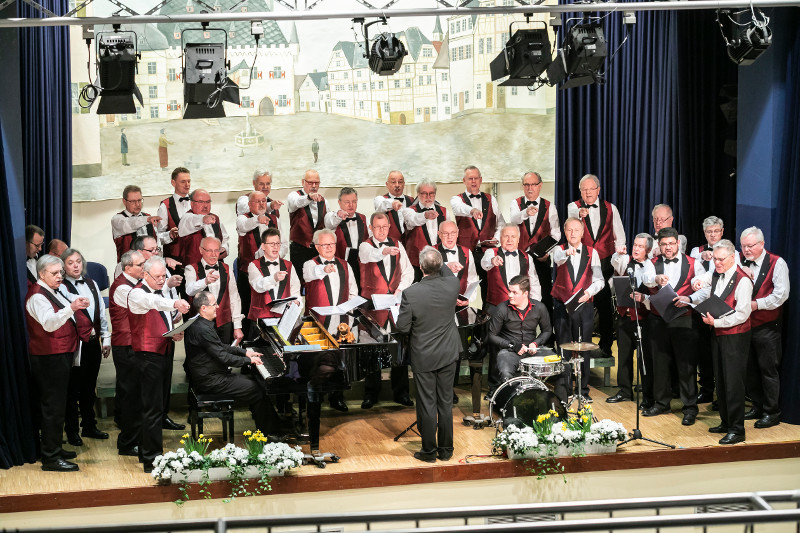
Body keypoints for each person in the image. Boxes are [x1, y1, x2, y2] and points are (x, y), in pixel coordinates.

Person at [184, 291, 285, 439]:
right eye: (214, 305)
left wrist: (244, 353)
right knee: (256, 389)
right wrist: (248, 361)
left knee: (254, 384)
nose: (218, 307)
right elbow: (223, 357)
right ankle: (270, 433)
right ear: (204, 308)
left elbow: (221, 347)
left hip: (212, 374)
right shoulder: (203, 329)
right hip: (211, 380)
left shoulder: (201, 323)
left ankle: (269, 425)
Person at [25, 255, 92, 471]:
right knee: (52, 408)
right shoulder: (37, 296)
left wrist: (76, 304)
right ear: (41, 274)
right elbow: (49, 324)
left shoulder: (53, 290)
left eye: (60, 273)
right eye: (55, 273)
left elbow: (67, 309)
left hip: (60, 355)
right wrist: (71, 308)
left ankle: (54, 447)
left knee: (58, 406)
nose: (59, 276)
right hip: (48, 358)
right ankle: (51, 458)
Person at [396, 247, 461, 463]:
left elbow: (403, 327)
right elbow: (443, 268)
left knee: (427, 404)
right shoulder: (453, 284)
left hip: (424, 355)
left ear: (420, 267)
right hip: (449, 352)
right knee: (445, 402)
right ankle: (446, 449)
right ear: (441, 264)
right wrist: (438, 261)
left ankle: (429, 451)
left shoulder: (411, 293)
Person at [127, 257, 190, 472]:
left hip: (161, 351)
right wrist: (174, 302)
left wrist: (175, 330)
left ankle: (148, 451)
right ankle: (152, 458)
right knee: (152, 408)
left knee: (157, 406)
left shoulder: (158, 292)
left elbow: (161, 319)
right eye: (158, 277)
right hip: (147, 356)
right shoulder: (137, 293)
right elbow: (152, 304)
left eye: (164, 276)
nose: (163, 280)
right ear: (145, 275)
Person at [643, 227, 708, 425]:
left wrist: (690, 298)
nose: (668, 248)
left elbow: (705, 289)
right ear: (659, 245)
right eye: (664, 244)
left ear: (678, 243)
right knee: (660, 363)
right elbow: (645, 278)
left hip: (684, 318)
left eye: (671, 244)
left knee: (686, 365)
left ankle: (690, 407)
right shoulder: (652, 262)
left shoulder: (694, 263)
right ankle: (661, 403)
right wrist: (655, 278)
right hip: (658, 319)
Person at [691, 240, 753, 445]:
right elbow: (701, 279)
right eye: (715, 259)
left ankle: (737, 429)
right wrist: (697, 282)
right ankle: (726, 422)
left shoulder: (743, 280)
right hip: (718, 334)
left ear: (732, 258)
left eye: (720, 259)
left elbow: (742, 315)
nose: (716, 263)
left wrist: (716, 322)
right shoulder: (717, 274)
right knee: (722, 380)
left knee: (734, 383)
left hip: (735, 336)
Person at [358, 212, 415, 409]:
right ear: (371, 228)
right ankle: (370, 395)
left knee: (400, 349)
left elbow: (408, 271)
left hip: (395, 304)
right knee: (373, 352)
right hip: (374, 307)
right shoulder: (365, 246)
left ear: (389, 227)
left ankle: (402, 393)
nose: (381, 230)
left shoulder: (398, 244)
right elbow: (369, 256)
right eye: (377, 227)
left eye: (385, 227)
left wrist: (400, 290)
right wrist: (382, 252)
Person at [567, 174, 626, 357]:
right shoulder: (573, 207)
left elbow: (620, 236)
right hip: (582, 263)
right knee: (579, 305)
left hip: (605, 263)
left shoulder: (611, 208)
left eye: (591, 189)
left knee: (604, 306)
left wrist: (617, 263)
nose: (587, 192)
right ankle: (577, 347)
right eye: (584, 189)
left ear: (598, 190)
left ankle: (606, 346)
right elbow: (571, 223)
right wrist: (579, 214)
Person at [59, 248, 111, 447]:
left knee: (90, 386)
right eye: (70, 262)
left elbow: (100, 313)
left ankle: (89, 425)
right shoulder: (61, 287)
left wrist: (105, 338)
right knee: (73, 389)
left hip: (93, 342)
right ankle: (72, 430)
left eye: (78, 261)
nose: (75, 265)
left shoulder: (92, 283)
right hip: (75, 344)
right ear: (63, 266)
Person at [303, 229, 359, 412]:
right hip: (317, 323)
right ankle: (315, 396)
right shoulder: (309, 264)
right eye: (324, 245)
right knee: (319, 363)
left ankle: (337, 397)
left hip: (341, 321)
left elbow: (353, 291)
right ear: (317, 246)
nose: (329, 248)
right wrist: (324, 269)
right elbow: (312, 274)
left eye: (331, 244)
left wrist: (349, 311)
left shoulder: (345, 265)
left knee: (339, 363)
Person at [740, 226, 789, 429]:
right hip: (744, 325)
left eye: (750, 246)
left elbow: (781, 295)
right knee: (749, 369)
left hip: (767, 326)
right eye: (743, 246)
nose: (746, 250)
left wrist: (756, 304)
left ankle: (772, 412)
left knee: (768, 370)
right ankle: (757, 405)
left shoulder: (777, 263)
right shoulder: (740, 263)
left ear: (762, 244)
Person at [550, 218, 604, 402]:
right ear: (565, 233)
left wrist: (589, 293)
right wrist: (566, 252)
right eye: (569, 230)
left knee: (584, 348)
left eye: (576, 230)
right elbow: (558, 259)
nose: (572, 233)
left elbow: (600, 280)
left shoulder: (592, 252)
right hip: (561, 305)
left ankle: (583, 390)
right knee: (563, 348)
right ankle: (565, 390)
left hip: (584, 305)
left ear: (582, 232)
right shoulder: (558, 250)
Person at [488, 275, 559, 399]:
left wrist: (536, 343)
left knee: (562, 368)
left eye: (514, 292)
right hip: (509, 351)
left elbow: (547, 331)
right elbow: (491, 336)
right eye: (509, 291)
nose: (510, 295)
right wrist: (512, 345)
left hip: (533, 350)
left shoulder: (540, 308)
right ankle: (511, 405)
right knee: (506, 371)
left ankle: (558, 406)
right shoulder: (502, 309)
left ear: (525, 293)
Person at [606, 234, 657, 404]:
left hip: (643, 319)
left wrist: (643, 298)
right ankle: (625, 391)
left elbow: (653, 292)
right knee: (624, 356)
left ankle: (648, 396)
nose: (636, 248)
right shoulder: (626, 261)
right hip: (624, 317)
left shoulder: (650, 267)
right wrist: (618, 254)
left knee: (644, 359)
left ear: (648, 250)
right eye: (635, 245)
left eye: (640, 246)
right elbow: (615, 261)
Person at [508, 171, 561, 318]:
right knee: (518, 296)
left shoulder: (550, 206)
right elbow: (513, 220)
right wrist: (526, 212)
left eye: (533, 184)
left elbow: (556, 234)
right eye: (526, 185)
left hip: (541, 259)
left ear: (540, 185)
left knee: (545, 297)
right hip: (520, 260)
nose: (530, 188)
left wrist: (546, 253)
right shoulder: (516, 203)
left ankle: (548, 337)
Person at [109, 250, 146, 457]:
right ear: (127, 268)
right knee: (131, 395)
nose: (144, 267)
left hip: (134, 345)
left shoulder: (134, 284)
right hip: (126, 346)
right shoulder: (123, 287)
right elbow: (143, 304)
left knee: (134, 394)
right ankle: (127, 443)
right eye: (140, 264)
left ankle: (135, 437)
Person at [450, 166, 504, 304]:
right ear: (464, 181)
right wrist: (472, 210)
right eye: (470, 178)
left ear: (481, 180)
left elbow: (501, 224)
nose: (473, 181)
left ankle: (487, 322)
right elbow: (458, 209)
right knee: (462, 289)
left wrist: (496, 238)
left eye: (476, 178)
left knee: (489, 289)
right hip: (466, 253)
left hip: (487, 252)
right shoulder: (457, 199)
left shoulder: (491, 199)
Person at [690, 215, 728, 404]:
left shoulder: (731, 251)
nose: (713, 235)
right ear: (704, 233)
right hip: (701, 308)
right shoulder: (697, 251)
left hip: (722, 308)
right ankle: (705, 391)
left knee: (719, 353)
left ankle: (721, 396)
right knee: (702, 352)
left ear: (722, 232)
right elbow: (693, 272)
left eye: (716, 231)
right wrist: (701, 256)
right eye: (709, 232)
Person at [237, 190, 283, 333]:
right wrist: (258, 219)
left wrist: (274, 255)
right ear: (250, 204)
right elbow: (244, 227)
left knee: (271, 306)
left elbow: (284, 243)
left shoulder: (274, 219)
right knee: (249, 308)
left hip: (272, 270)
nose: (262, 204)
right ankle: (248, 340)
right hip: (248, 273)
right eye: (258, 201)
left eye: (264, 201)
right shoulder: (243, 218)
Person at [184, 237, 244, 345]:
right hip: (201, 326)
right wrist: (204, 281)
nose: (213, 254)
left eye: (217, 250)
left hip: (225, 324)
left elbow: (234, 298)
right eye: (209, 250)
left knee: (225, 357)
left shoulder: (227, 268)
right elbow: (189, 290)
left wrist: (237, 326)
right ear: (201, 250)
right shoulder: (191, 268)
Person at [480, 225, 542, 316]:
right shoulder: (491, 252)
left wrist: (534, 307)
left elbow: (534, 283)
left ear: (518, 239)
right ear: (500, 238)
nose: (510, 240)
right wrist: (493, 260)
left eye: (513, 237)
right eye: (506, 236)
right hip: (495, 309)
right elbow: (484, 264)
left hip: (520, 310)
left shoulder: (527, 257)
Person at [248, 228, 301, 321]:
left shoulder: (289, 265)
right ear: (263, 246)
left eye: (277, 243)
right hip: (260, 317)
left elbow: (295, 290)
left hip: (284, 317)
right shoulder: (253, 265)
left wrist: (297, 302)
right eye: (271, 244)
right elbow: (258, 285)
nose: (275, 247)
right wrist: (274, 278)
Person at [402, 178, 448, 282]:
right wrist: (425, 215)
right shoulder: (409, 211)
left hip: (438, 263)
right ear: (418, 194)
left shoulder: (444, 211)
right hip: (416, 264)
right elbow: (414, 219)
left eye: (431, 193)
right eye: (424, 193)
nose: (428, 197)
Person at [288, 170, 327, 285]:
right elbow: (296, 203)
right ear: (303, 182)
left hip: (317, 249)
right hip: (299, 249)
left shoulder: (324, 201)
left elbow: (328, 222)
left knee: (316, 283)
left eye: (317, 183)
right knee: (298, 283)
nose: (314, 186)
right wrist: (309, 197)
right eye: (310, 183)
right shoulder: (294, 196)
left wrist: (337, 216)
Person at [324, 187, 368, 290]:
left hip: (360, 265)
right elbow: (330, 222)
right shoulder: (333, 217)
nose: (351, 205)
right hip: (341, 266)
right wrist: (339, 215)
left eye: (354, 201)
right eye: (347, 202)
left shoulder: (363, 218)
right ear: (339, 203)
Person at [178, 189, 230, 266]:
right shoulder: (186, 218)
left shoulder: (215, 218)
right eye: (201, 202)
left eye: (208, 202)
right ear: (192, 203)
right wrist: (203, 219)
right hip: (194, 270)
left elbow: (225, 238)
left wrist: (224, 249)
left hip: (217, 267)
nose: (205, 205)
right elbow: (192, 220)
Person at [111, 185, 163, 262]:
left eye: (139, 200)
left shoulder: (147, 217)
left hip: (149, 266)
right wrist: (147, 219)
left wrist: (170, 235)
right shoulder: (117, 219)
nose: (138, 204)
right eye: (133, 201)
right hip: (129, 267)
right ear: (124, 202)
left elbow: (157, 240)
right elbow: (130, 224)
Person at [437, 220, 479, 308]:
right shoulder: (431, 251)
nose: (450, 237)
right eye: (445, 233)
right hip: (438, 305)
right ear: (439, 234)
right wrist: (447, 265)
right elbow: (429, 270)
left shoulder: (467, 252)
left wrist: (468, 299)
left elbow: (472, 280)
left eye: (453, 233)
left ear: (457, 233)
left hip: (461, 305)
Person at [157, 167, 192, 266]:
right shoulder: (165, 206)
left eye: (189, 181)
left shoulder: (196, 201)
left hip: (195, 258)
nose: (187, 185)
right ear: (173, 183)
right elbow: (158, 237)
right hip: (175, 261)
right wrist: (169, 235)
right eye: (183, 182)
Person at [373, 170, 414, 243]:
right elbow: (382, 204)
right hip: (390, 246)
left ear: (404, 184)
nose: (397, 185)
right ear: (387, 184)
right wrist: (392, 203)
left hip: (409, 246)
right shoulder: (380, 200)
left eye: (400, 182)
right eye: (393, 182)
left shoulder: (411, 200)